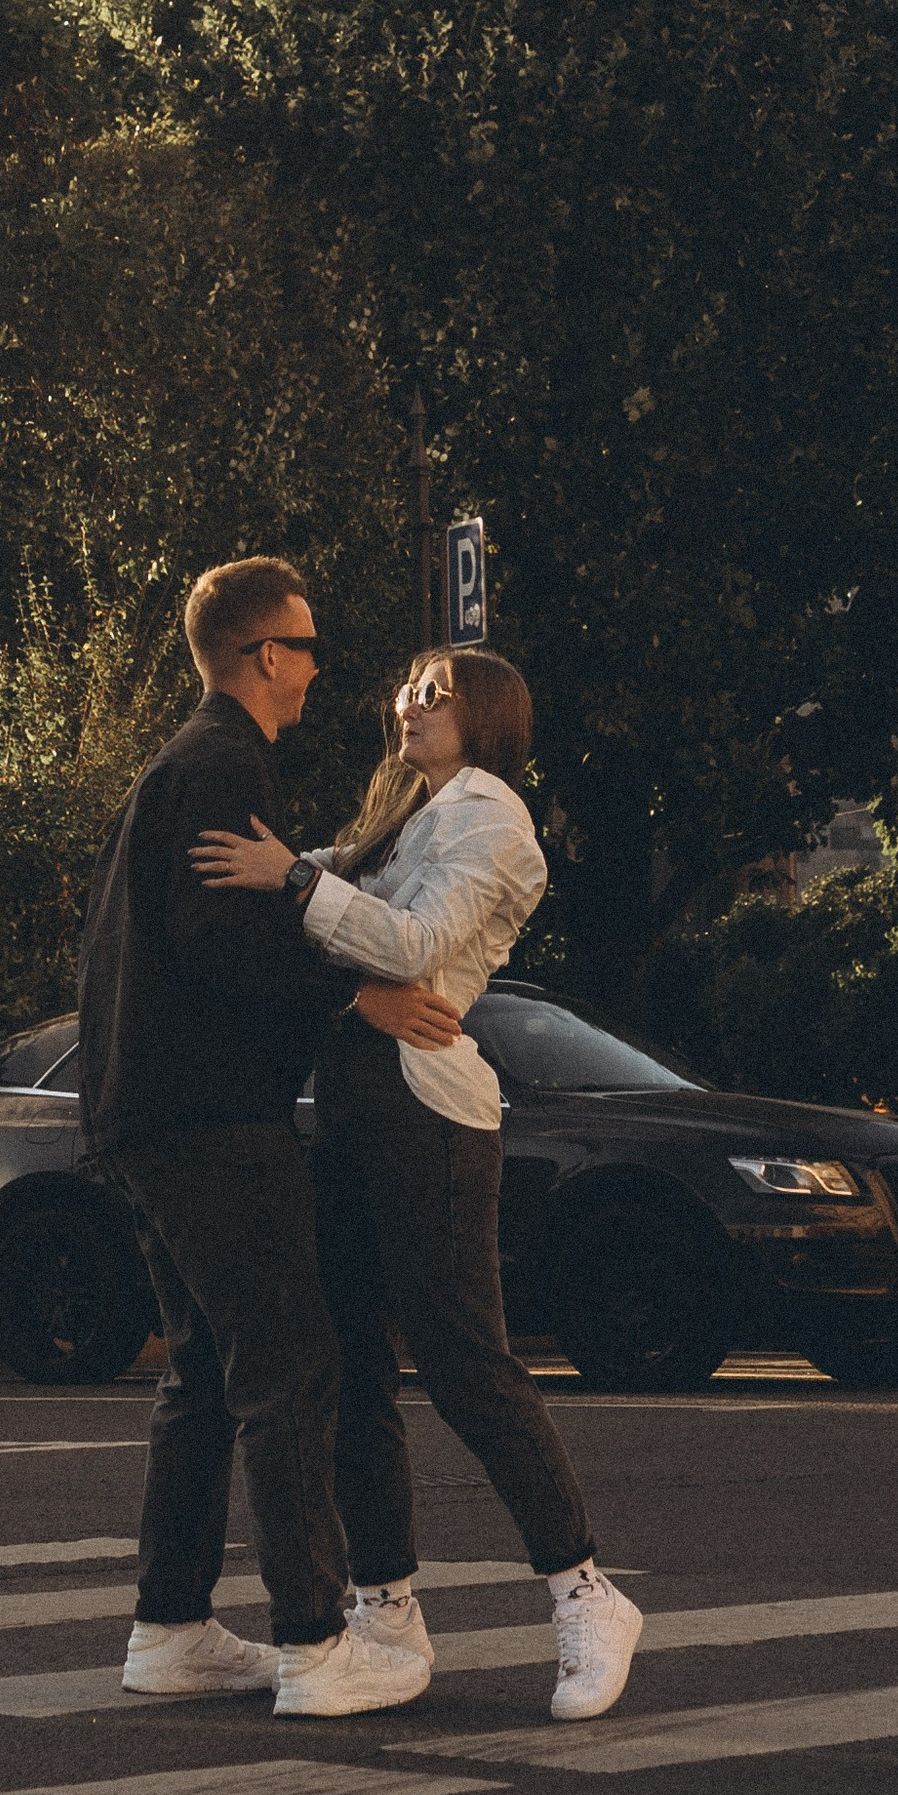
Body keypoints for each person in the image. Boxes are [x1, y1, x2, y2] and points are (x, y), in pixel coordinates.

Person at [192, 645, 645, 1723]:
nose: (410, 703)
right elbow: (318, 891)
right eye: (406, 687)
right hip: (352, 1109)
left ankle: (584, 1590)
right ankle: (384, 1609)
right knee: (350, 1367)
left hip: (427, 1115)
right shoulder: (406, 816)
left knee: (464, 1364)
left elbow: (417, 944)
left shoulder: (490, 814)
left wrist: (294, 881)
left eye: (436, 692)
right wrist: (274, 868)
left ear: (486, 716)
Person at [77, 556, 444, 1719]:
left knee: (201, 1378)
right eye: (306, 645)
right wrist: (354, 998)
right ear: (260, 657)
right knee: (290, 1369)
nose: (318, 668)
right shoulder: (224, 763)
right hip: (212, 1121)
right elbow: (219, 944)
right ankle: (313, 1647)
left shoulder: (171, 769)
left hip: (142, 1115)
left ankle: (170, 1629)